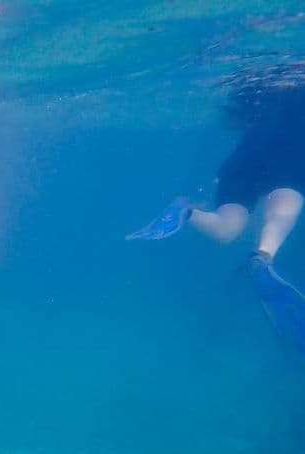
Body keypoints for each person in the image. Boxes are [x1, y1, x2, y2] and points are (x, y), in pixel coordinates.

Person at [126, 68, 305, 353]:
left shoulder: (254, 91)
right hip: (287, 160)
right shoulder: (297, 95)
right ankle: (262, 257)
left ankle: (187, 212)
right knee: (284, 209)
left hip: (242, 162)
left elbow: (236, 117)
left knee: (226, 230)